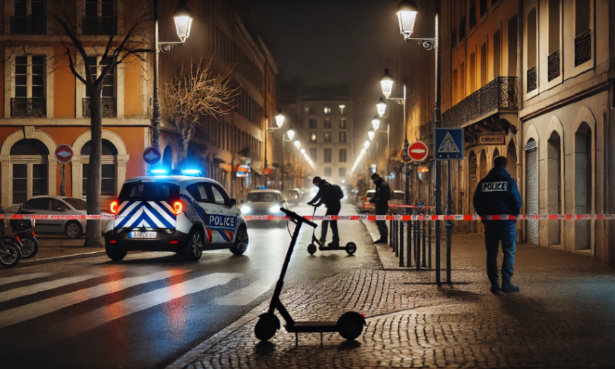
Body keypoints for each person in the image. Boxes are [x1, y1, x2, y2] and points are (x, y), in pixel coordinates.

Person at [473, 156, 523, 294]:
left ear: (493, 165)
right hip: (507, 224)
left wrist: (484, 217)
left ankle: (494, 284)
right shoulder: (509, 182)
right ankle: (506, 283)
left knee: (491, 253)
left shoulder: (484, 182)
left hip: (490, 225)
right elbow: (517, 202)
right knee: (508, 252)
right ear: (505, 166)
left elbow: (476, 202)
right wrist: (512, 217)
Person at [307, 176, 341, 247]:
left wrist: (318, 204)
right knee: (326, 222)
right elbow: (318, 195)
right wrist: (312, 202)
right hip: (332, 207)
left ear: (317, 182)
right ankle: (324, 239)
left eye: (315, 184)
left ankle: (335, 241)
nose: (316, 185)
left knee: (332, 224)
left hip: (334, 207)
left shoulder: (325, 186)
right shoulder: (323, 186)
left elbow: (323, 197)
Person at [369, 173, 390, 244]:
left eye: (374, 179)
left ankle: (384, 238)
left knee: (381, 222)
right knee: (379, 222)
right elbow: (377, 195)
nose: (373, 181)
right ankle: (383, 237)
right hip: (379, 206)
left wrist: (375, 200)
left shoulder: (382, 185)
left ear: (376, 178)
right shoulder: (379, 185)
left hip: (382, 207)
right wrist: (372, 199)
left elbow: (386, 197)